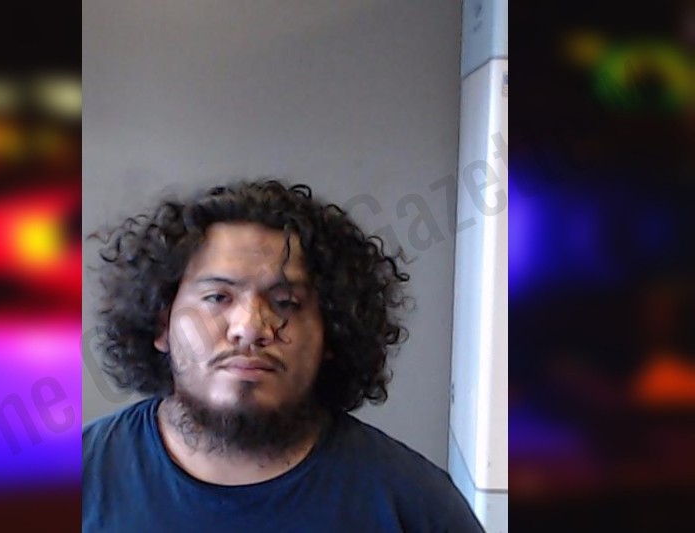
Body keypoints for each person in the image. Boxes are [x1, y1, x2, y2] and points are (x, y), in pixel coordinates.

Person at [83, 179, 484, 532]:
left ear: (332, 333)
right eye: (218, 297)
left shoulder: (415, 504)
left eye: (287, 302)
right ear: (161, 325)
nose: (250, 327)